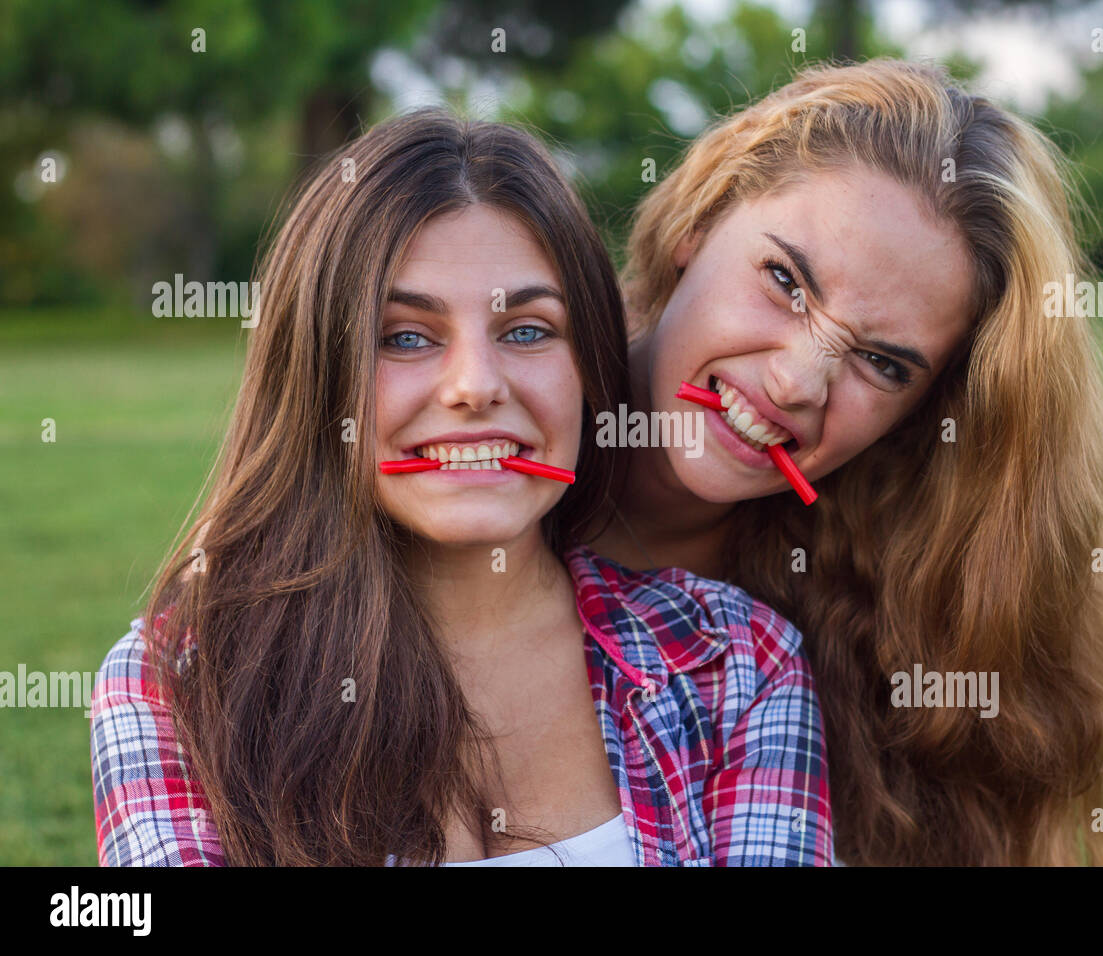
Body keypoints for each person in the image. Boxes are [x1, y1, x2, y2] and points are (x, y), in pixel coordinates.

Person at [90, 110, 832, 866]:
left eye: (528, 331)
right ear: (315, 376)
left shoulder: (734, 661)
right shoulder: (176, 683)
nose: (476, 386)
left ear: (590, 369)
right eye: (405, 336)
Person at [592, 58, 1103, 865]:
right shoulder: (462, 448)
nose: (795, 382)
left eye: (883, 364)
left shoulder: (850, 641)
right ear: (698, 223)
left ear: (921, 414)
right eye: (785, 281)